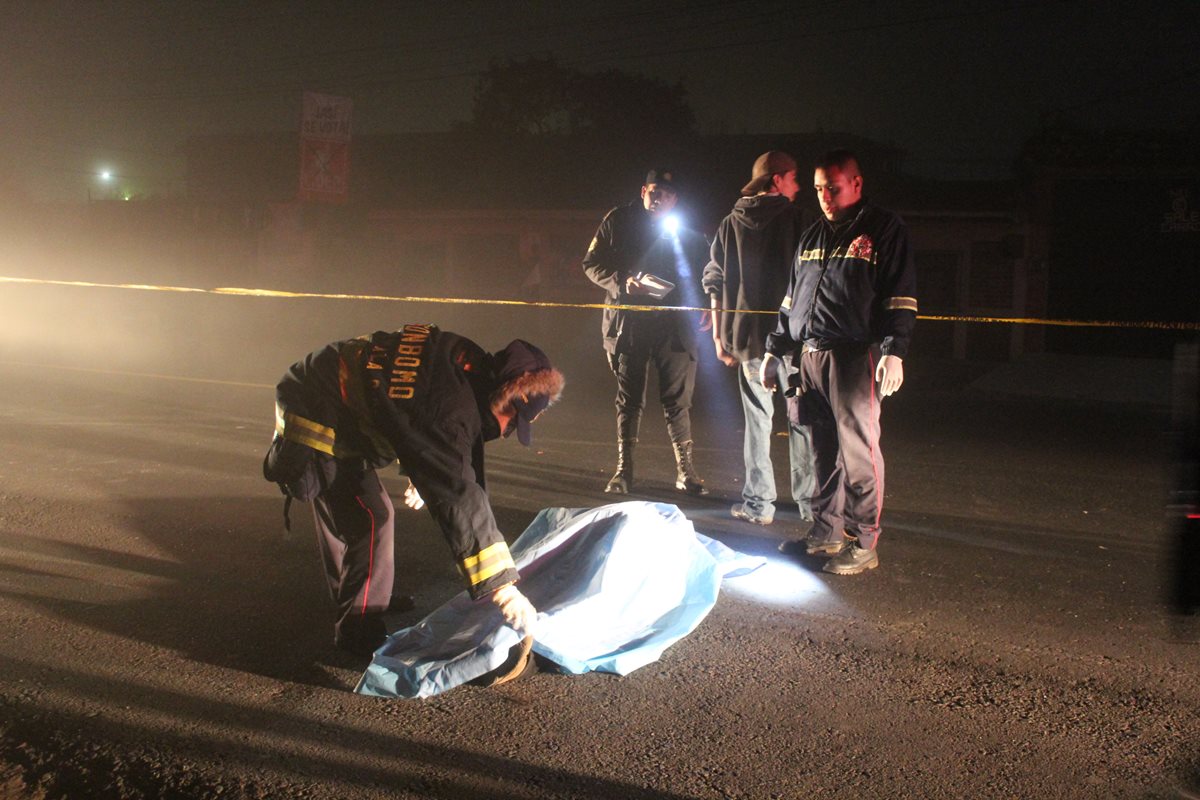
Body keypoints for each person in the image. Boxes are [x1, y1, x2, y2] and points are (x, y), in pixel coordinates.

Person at [262, 323, 565, 654]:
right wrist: (503, 588)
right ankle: (358, 632)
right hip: (316, 409)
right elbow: (460, 497)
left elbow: (408, 408)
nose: (506, 431)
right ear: (505, 394)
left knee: (356, 518)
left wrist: (420, 468)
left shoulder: (465, 363)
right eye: (512, 419)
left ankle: (363, 598)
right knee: (369, 519)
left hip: (331, 394)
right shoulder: (448, 406)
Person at [763, 150, 917, 575]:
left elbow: (899, 295)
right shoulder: (812, 236)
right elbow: (791, 299)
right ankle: (826, 532)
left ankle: (863, 541)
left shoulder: (884, 229)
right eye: (817, 189)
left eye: (833, 187)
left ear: (856, 184)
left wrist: (894, 351)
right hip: (810, 355)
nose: (825, 196)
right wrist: (776, 349)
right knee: (821, 449)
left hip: (854, 355)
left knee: (859, 452)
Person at [702, 150, 816, 527]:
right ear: (777, 179)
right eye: (794, 177)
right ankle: (811, 506)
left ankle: (759, 505)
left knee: (758, 423)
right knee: (802, 421)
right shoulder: (800, 220)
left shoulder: (729, 223)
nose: (798, 185)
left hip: (748, 341)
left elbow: (713, 282)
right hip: (794, 342)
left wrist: (719, 338)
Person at [583, 167, 711, 496]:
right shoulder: (618, 220)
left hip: (674, 327)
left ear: (675, 199)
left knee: (678, 402)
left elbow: (707, 272)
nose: (659, 199)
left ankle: (686, 472)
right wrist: (621, 281)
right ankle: (624, 472)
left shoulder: (689, 230)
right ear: (643, 191)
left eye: (666, 194)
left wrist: (709, 302)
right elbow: (591, 263)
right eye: (654, 192)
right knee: (628, 401)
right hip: (629, 324)